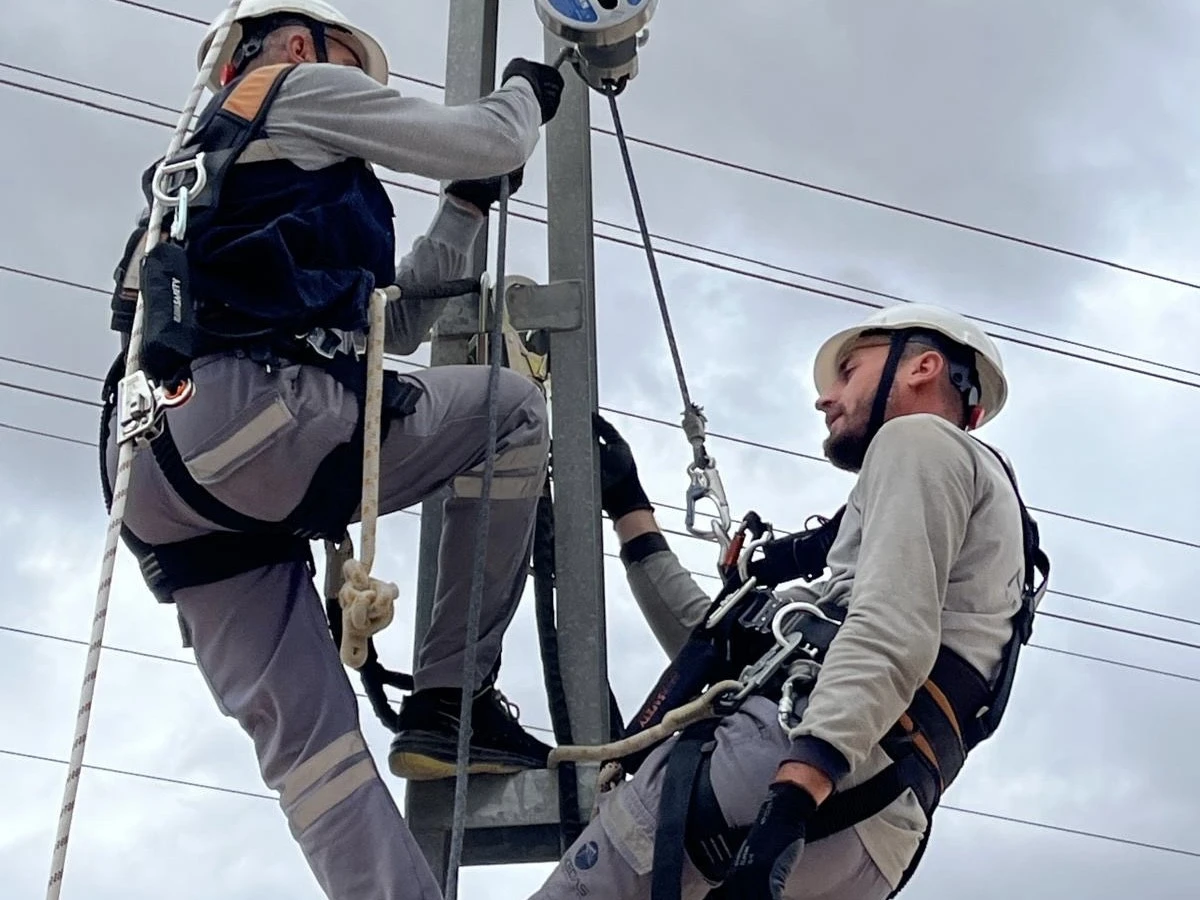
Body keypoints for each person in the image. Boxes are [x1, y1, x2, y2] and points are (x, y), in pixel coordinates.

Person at [99, 2, 567, 897]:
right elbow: (486, 141)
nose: (362, 100)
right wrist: (522, 99)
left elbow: (395, 325)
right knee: (510, 411)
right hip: (255, 419)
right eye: (360, 73)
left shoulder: (207, 175)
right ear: (306, 45)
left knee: (313, 756)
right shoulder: (296, 86)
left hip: (152, 470)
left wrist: (464, 213)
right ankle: (452, 699)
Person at [530, 303, 1047, 900]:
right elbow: (717, 642)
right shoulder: (982, 538)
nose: (825, 399)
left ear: (924, 367)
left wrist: (790, 802)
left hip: (791, 770)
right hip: (873, 834)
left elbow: (890, 629)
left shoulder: (919, 440)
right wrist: (630, 510)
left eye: (849, 371)